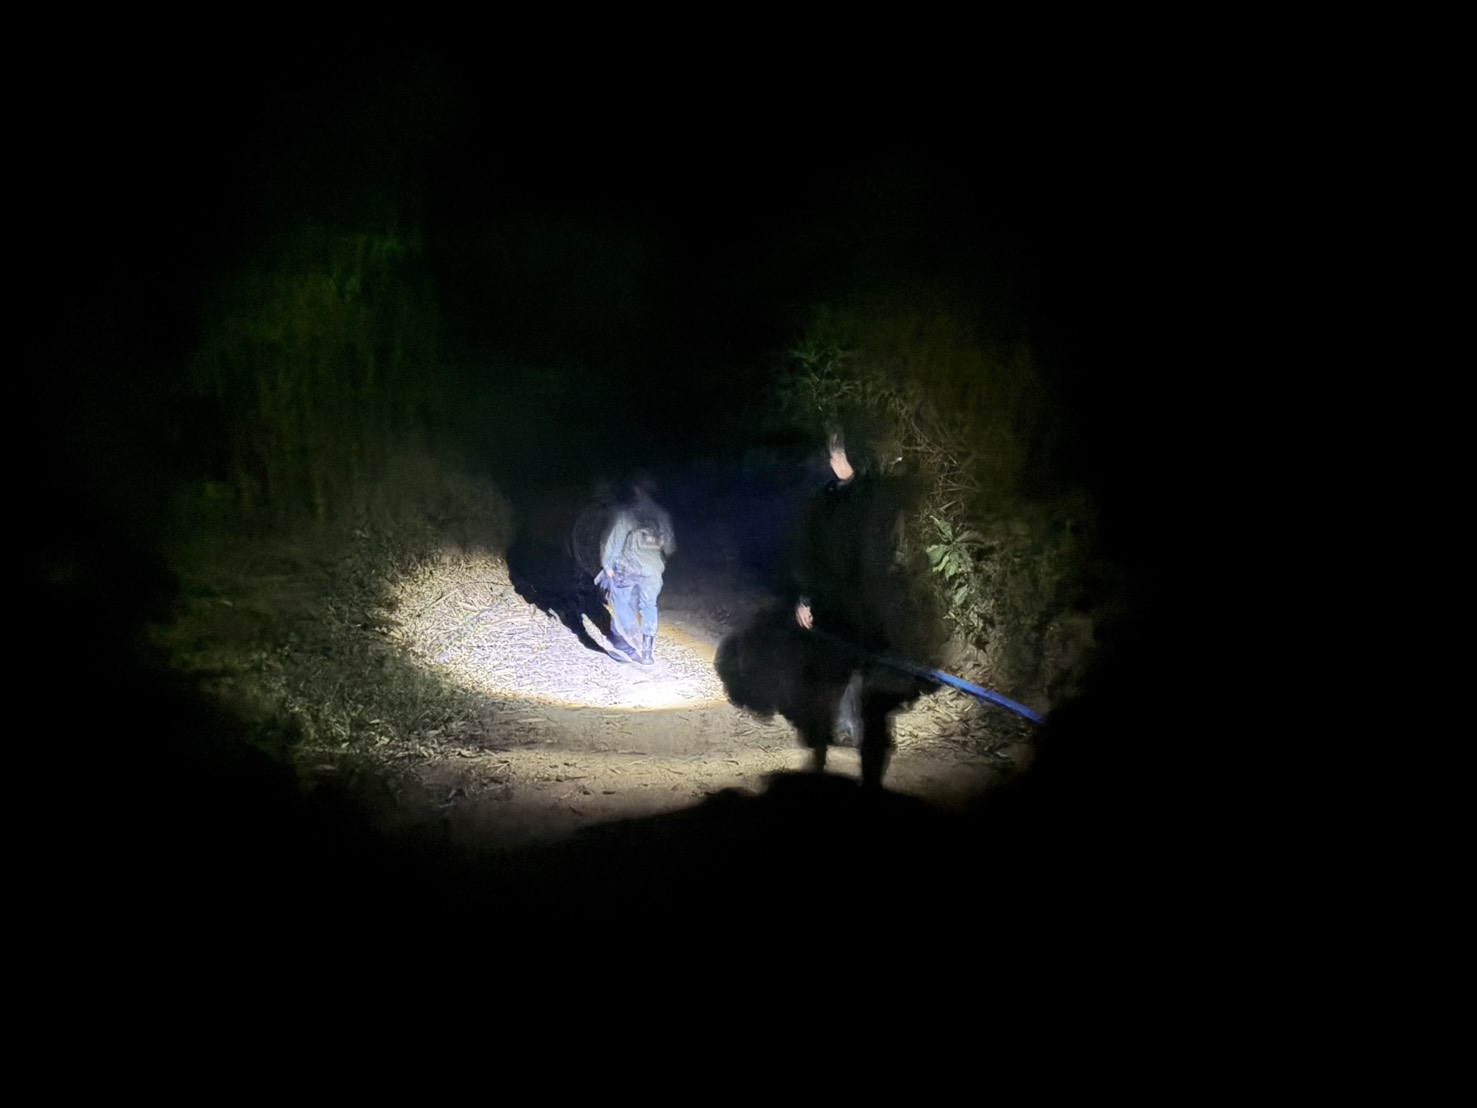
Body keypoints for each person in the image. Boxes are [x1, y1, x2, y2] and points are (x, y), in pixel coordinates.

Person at [594, 484, 676, 665]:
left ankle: (632, 637)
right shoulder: (661, 516)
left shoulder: (628, 515)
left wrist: (608, 566)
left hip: (629, 568)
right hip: (653, 570)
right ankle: (647, 652)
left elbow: (615, 543)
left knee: (620, 600)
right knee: (649, 605)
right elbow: (669, 547)